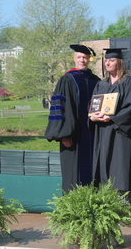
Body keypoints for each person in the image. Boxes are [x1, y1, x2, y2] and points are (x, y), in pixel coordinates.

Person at [44, 44, 100, 193]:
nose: (82, 60)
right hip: (73, 137)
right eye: (79, 57)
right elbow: (60, 108)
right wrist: (64, 135)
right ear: (74, 59)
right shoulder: (67, 80)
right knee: (74, 175)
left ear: (89, 60)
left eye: (85, 58)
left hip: (94, 137)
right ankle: (74, 207)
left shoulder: (96, 80)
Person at [89, 48, 131, 203]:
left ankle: (123, 207)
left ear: (120, 62)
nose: (107, 63)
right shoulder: (101, 84)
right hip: (102, 132)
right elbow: (92, 106)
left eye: (111, 60)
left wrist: (111, 117)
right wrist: (92, 116)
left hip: (120, 132)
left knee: (120, 167)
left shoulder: (128, 82)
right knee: (103, 165)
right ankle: (106, 205)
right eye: (106, 60)